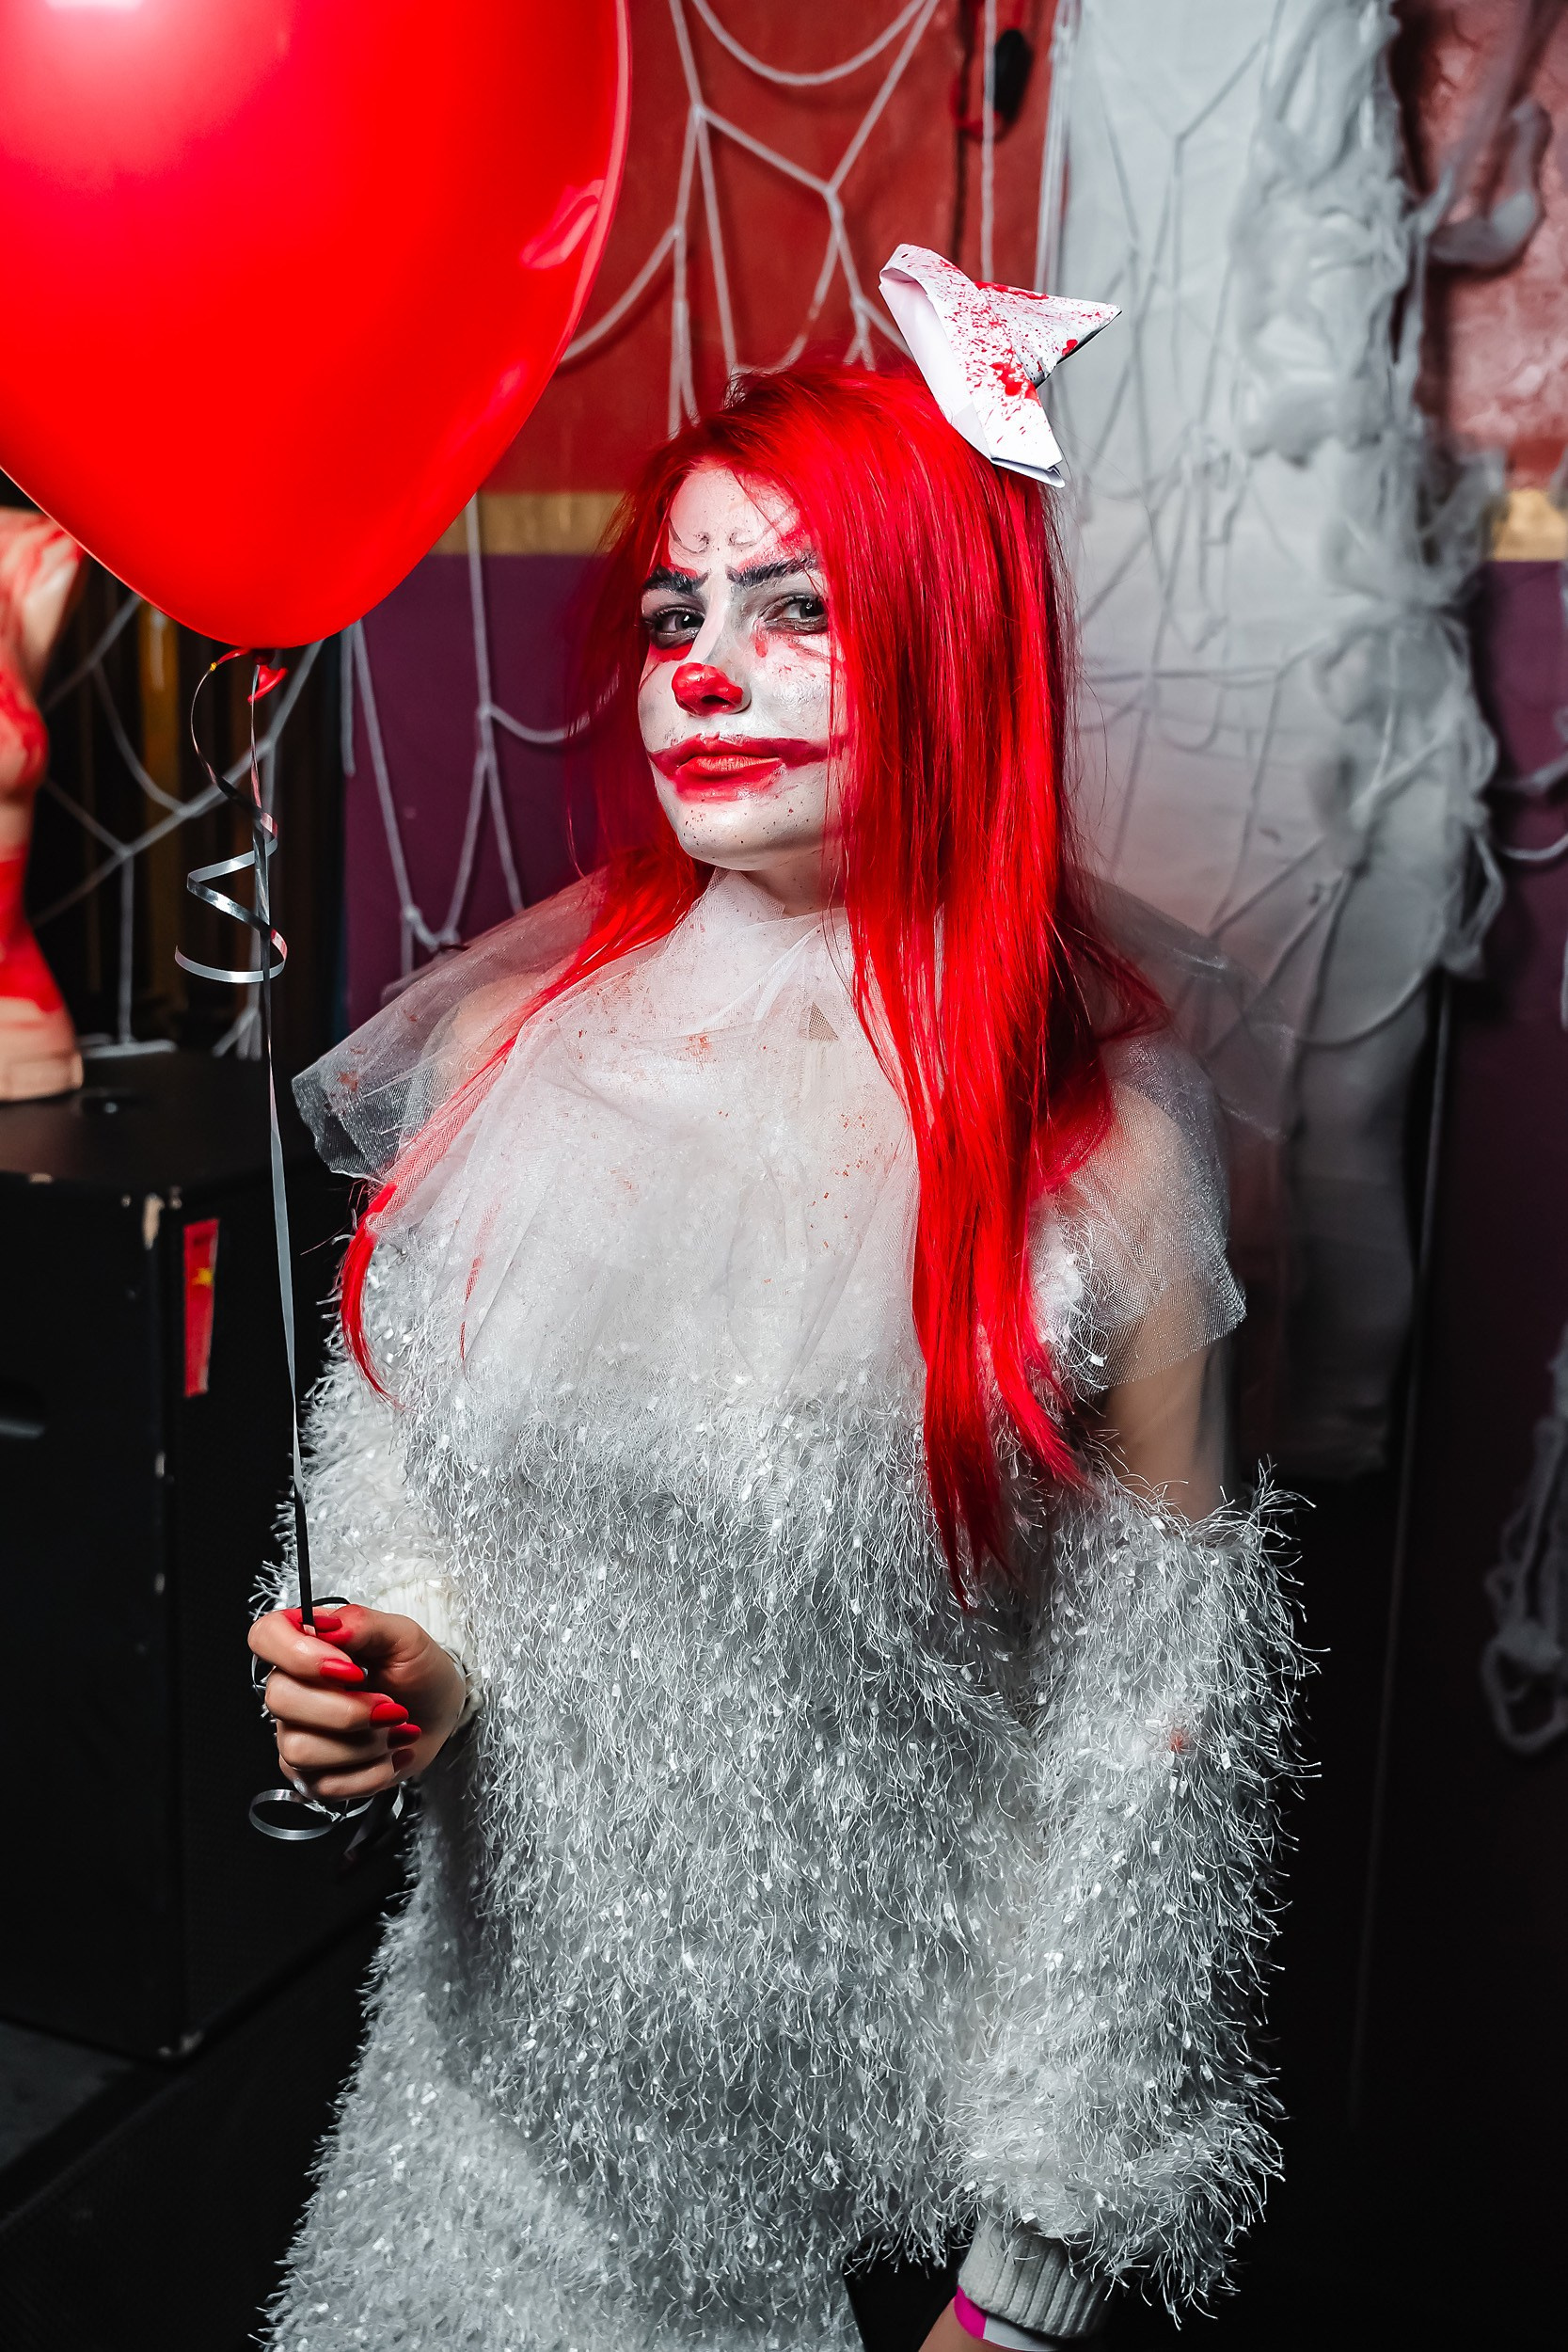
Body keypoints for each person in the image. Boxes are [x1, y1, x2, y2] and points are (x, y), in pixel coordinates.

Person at [251, 358, 1297, 2352]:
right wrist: (391, 1661)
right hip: (479, 2125)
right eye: (677, 613)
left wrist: (1033, 2273)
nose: (706, 672)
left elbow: (1157, 1744)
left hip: (863, 2204)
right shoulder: (502, 1055)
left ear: (953, 643)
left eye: (795, 605)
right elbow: (395, 1475)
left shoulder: (1103, 1160)